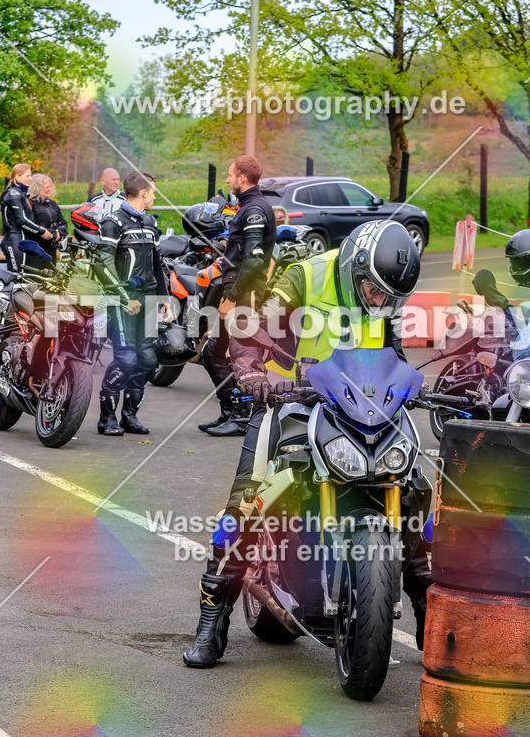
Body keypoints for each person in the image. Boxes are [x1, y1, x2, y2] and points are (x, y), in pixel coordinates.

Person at [183, 218, 433, 668]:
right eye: (376, 292)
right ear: (357, 267)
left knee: (413, 487)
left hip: (361, 410)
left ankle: (428, 612)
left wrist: (413, 386)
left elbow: (391, 354)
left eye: (391, 299)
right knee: (246, 503)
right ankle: (211, 621)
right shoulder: (305, 276)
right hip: (291, 404)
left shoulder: (380, 299)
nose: (380, 303)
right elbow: (255, 331)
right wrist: (251, 372)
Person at [198, 155, 277, 437]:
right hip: (237, 290)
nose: (227, 179)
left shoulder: (254, 209)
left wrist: (232, 296)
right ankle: (231, 411)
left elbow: (255, 261)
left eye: (230, 175)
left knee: (240, 357)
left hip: (246, 295)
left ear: (242, 178)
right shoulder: (247, 207)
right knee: (214, 352)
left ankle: (243, 417)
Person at [94, 170, 173, 436]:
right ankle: (107, 418)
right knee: (126, 358)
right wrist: (124, 297)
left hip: (150, 300)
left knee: (148, 360)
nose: (154, 196)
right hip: (122, 301)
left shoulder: (151, 223)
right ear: (143, 193)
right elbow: (102, 264)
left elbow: (157, 263)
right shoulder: (112, 222)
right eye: (153, 192)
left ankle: (129, 416)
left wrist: (165, 299)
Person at [0, 162, 53, 271]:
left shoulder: (19, 193)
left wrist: (39, 229)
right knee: (17, 276)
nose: (31, 178)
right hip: (14, 239)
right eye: (27, 176)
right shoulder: (14, 194)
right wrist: (41, 232)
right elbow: (21, 220)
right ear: (17, 176)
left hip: (21, 239)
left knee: (23, 276)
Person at [27, 174, 67, 260]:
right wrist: (50, 233)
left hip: (51, 247)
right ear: (37, 187)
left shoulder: (52, 204)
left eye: (50, 187)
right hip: (35, 249)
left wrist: (59, 233)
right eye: (46, 187)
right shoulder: (29, 203)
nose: (49, 189)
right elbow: (30, 225)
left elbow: (63, 223)